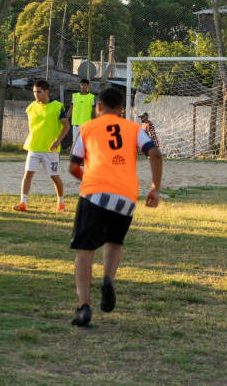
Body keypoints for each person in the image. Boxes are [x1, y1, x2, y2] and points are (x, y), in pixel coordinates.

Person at [67, 86, 163, 327]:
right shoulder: (133, 128)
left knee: (85, 250)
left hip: (94, 192)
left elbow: (73, 165)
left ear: (97, 107)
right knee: (114, 242)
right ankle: (108, 279)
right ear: (122, 110)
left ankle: (83, 307)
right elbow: (155, 154)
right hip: (126, 195)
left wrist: (88, 179)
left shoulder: (88, 128)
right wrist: (155, 188)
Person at [13, 79, 71, 213]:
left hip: (50, 150)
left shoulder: (57, 106)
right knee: (27, 174)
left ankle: (61, 203)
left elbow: (66, 125)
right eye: (34, 92)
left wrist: (58, 140)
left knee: (54, 176)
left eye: (39, 92)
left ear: (46, 91)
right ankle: (23, 202)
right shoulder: (31, 107)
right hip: (34, 147)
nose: (36, 94)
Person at [67, 78, 96, 143]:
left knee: (85, 143)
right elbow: (71, 108)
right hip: (76, 124)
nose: (83, 87)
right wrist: (65, 119)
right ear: (80, 85)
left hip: (86, 124)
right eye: (82, 85)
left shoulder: (91, 97)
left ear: (88, 86)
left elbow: (94, 111)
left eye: (85, 85)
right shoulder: (75, 96)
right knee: (75, 143)